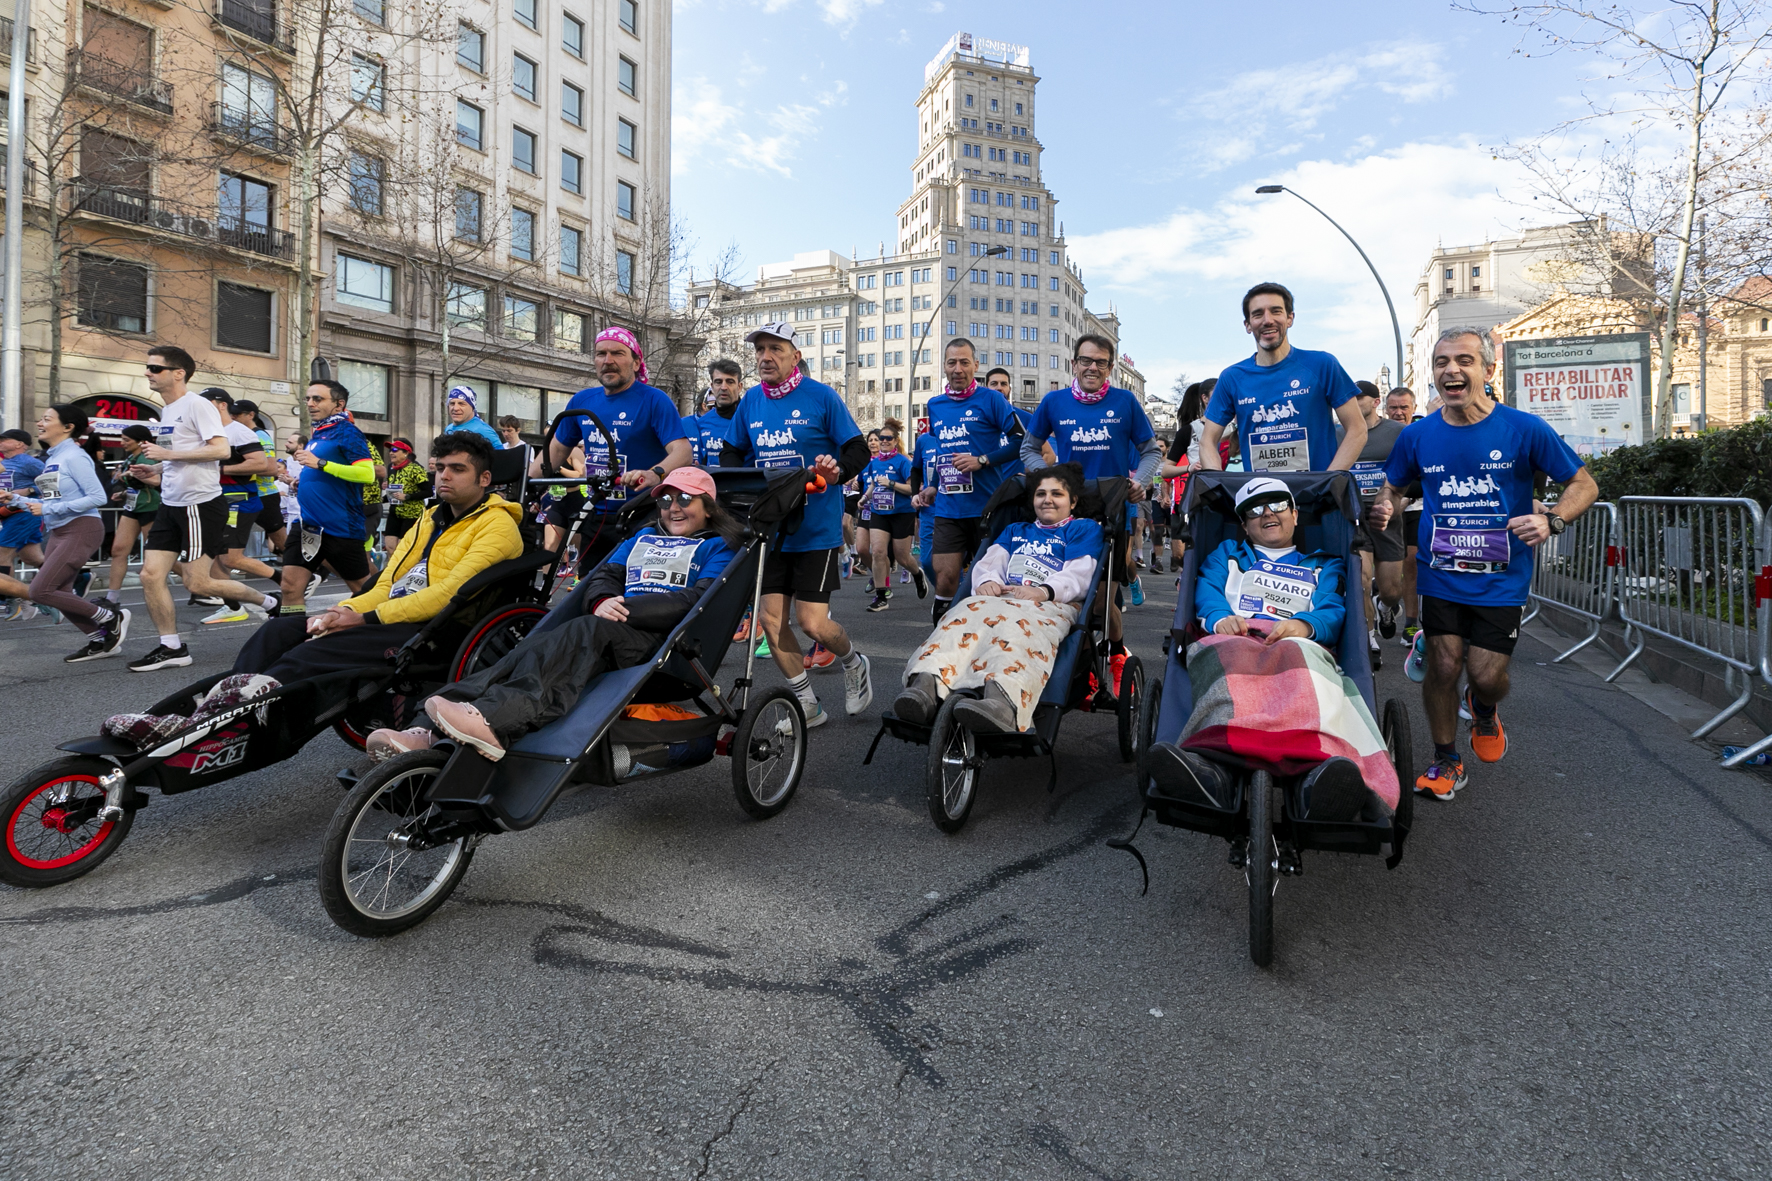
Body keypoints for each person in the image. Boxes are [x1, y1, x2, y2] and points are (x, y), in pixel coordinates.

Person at [100, 433, 527, 747]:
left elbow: (448, 595)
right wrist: (344, 610)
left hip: (439, 627)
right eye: (441, 468)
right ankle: (202, 711)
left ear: (485, 478)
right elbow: (387, 582)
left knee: (311, 653)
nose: (444, 476)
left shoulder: (498, 525)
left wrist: (364, 618)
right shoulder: (431, 517)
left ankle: (219, 724)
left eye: (457, 469)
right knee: (281, 630)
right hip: (393, 614)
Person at [364, 467, 738, 761]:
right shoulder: (643, 538)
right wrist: (600, 599)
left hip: (662, 642)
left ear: (708, 507)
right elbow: (604, 575)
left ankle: (494, 721)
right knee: (528, 648)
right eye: (666, 498)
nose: (673, 506)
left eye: (685, 498)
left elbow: (697, 599)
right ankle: (424, 730)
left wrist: (624, 608)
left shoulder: (717, 547)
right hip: (610, 625)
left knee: (581, 632)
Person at [1369, 327, 1598, 801]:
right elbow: (1394, 486)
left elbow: (1584, 485)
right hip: (1441, 573)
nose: (1451, 370)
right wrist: (1387, 504)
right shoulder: (1418, 435)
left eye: (1464, 360)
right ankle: (1446, 760)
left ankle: (1484, 706)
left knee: (1486, 675)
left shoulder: (1523, 428)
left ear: (1488, 370)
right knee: (1443, 665)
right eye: (1441, 362)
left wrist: (1552, 520)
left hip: (1501, 580)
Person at [1146, 478, 1394, 823]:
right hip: (1235, 638)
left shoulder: (1325, 564)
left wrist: (1305, 625)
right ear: (1245, 524)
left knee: (1299, 657)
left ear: (1295, 514)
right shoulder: (1226, 555)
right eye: (1255, 510)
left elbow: (1332, 607)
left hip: (1300, 644)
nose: (1267, 514)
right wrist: (1219, 618)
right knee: (1229, 657)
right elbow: (1207, 590)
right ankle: (1212, 770)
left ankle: (1316, 779)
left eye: (1277, 505)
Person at [719, 320, 873, 724]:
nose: (765, 357)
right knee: (771, 622)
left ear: (795, 356)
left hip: (815, 527)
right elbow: (731, 452)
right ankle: (806, 703)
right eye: (760, 350)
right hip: (770, 528)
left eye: (775, 349)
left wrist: (837, 471)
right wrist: (746, 485)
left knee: (812, 624)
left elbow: (858, 449)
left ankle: (854, 662)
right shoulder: (751, 401)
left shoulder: (821, 396)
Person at [893, 464, 1101, 734]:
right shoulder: (1016, 530)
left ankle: (1002, 701)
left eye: (1056, 494)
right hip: (1004, 595)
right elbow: (990, 561)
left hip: (1051, 603)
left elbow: (1080, 573)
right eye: (1040, 494)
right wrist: (987, 581)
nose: (1047, 499)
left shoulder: (1082, 529)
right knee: (959, 618)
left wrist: (1044, 591)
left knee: (1015, 630)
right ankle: (925, 686)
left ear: (1072, 501)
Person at [1019, 333, 1162, 692]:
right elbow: (1028, 448)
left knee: (1100, 602)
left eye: (1100, 362)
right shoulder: (1054, 402)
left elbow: (1151, 452)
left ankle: (1117, 656)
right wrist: (1048, 478)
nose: (1092, 367)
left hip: (1113, 510)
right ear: (1074, 364)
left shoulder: (1125, 402)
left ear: (1110, 367)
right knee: (1069, 596)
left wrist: (1139, 481)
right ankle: (1081, 667)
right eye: (1086, 360)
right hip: (1068, 513)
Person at [127, 346, 280, 671]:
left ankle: (270, 602)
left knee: (198, 583)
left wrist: (167, 456)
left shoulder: (197, 405)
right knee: (150, 575)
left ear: (178, 373)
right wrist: (154, 469)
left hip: (199, 505)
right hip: (171, 503)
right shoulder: (168, 411)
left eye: (155, 368)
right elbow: (179, 456)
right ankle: (172, 647)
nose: (147, 372)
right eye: (148, 367)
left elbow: (220, 449)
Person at [548, 326, 692, 568]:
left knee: (633, 586)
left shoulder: (654, 400)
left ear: (636, 363)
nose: (608, 361)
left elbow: (683, 452)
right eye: (601, 354)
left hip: (643, 515)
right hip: (596, 513)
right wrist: (521, 483)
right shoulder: (582, 401)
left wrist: (654, 473)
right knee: (590, 586)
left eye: (617, 353)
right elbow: (553, 453)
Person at [0, 405, 130, 660]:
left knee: (40, 591)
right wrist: (14, 499)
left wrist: (49, 507)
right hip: (59, 530)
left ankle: (109, 616)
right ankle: (99, 640)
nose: (40, 423)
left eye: (47, 419)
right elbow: (52, 499)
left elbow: (97, 497)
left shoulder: (74, 456)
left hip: (81, 528)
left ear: (68, 427)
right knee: (61, 593)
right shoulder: (52, 458)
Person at [911, 339, 1023, 626]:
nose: (958, 369)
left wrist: (982, 460)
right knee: (945, 576)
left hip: (987, 507)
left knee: (991, 580)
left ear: (976, 365)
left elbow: (1021, 441)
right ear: (944, 366)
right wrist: (933, 484)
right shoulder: (935, 405)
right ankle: (943, 637)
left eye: (964, 362)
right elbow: (943, 452)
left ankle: (992, 634)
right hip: (949, 508)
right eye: (952, 363)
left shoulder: (992, 400)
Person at [1198, 282, 1366, 474]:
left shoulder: (1322, 364)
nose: (1267, 320)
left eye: (1276, 311)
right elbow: (1207, 441)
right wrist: (1218, 482)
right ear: (1248, 325)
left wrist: (1328, 481)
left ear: (1290, 318)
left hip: (1317, 492)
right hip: (1261, 492)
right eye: (1258, 314)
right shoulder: (1231, 378)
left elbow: (1357, 429)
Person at [278, 378, 377, 617]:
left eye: (318, 399)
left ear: (338, 404)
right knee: (290, 586)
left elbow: (367, 474)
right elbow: (321, 470)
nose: (310, 403)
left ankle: (386, 631)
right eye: (308, 398)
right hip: (308, 524)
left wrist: (320, 464)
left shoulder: (348, 432)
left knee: (362, 590)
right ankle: (291, 635)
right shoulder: (320, 431)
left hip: (339, 526)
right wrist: (303, 481)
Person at [194, 388, 280, 626]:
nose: (201, 408)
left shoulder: (240, 432)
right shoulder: (209, 432)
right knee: (215, 557)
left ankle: (287, 581)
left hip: (239, 502)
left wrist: (219, 469)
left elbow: (263, 465)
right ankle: (232, 606)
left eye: (207, 403)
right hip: (216, 502)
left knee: (231, 559)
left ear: (222, 405)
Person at [1344, 380, 1406, 668]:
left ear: (1375, 401)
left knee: (1392, 589)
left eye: (1360, 398)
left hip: (1386, 517)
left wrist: (1400, 502)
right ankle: (1368, 639)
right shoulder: (1339, 433)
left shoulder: (1397, 432)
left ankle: (1386, 606)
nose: (1354, 404)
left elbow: (1411, 474)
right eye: (1350, 399)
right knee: (1361, 581)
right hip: (1353, 515)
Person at [860, 417, 926, 612]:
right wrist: (865, 497)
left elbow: (911, 488)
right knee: (878, 552)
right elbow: (873, 483)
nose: (884, 441)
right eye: (882, 438)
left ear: (896, 441)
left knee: (902, 556)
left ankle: (917, 574)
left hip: (901, 513)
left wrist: (891, 484)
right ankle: (881, 596)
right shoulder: (875, 463)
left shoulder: (903, 462)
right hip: (879, 512)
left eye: (888, 438)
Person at [99, 424, 162, 619]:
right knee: (118, 550)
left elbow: (156, 481)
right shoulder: (130, 457)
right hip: (132, 507)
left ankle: (194, 582)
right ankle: (111, 598)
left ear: (141, 441)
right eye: (122, 439)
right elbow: (135, 485)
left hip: (150, 508)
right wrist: (124, 493)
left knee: (157, 553)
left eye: (126, 440)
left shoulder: (147, 456)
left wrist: (135, 474)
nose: (122, 443)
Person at [1159, 378, 1214, 575]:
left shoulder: (1235, 427)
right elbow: (1165, 471)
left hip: (1228, 496)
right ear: (1205, 398)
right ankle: (1185, 581)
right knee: (1184, 554)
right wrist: (1190, 467)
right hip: (1195, 498)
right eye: (1217, 394)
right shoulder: (1189, 430)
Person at [1384, 387, 1424, 644]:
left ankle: (1411, 624)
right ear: (1385, 409)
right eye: (1393, 408)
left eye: (1404, 407)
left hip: (1415, 508)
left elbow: (1428, 475)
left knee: (1412, 562)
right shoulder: (1378, 436)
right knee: (1389, 575)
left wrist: (1406, 497)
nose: (1398, 412)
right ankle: (1383, 599)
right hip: (1384, 510)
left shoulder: (1422, 433)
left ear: (1413, 408)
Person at [0, 426, 47, 619]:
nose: (0, 442)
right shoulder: (4, 462)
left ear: (19, 444)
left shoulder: (29, 462)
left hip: (25, 513)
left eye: (4, 439)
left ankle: (5, 600)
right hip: (7, 514)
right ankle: (77, 578)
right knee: (32, 558)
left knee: (2, 554)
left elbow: (54, 482)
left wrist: (30, 490)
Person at [232, 400, 287, 557]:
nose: (233, 417)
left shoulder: (259, 435)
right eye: (231, 414)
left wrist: (232, 470)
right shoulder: (236, 434)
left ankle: (305, 566)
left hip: (264, 495)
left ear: (251, 415)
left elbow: (271, 469)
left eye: (237, 414)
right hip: (242, 495)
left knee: (282, 542)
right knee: (230, 546)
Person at [380, 438, 432, 555]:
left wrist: (407, 496)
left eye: (395, 450)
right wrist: (381, 499)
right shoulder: (391, 467)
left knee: (402, 550)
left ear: (406, 453)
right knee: (390, 547)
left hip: (411, 514)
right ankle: (392, 567)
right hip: (394, 512)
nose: (391, 453)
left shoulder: (416, 469)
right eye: (390, 450)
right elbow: (393, 491)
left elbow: (428, 492)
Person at [687, 359, 743, 465]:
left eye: (730, 382)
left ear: (739, 387)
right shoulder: (703, 422)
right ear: (712, 387)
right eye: (718, 382)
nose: (724, 387)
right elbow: (704, 459)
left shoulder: (750, 418)